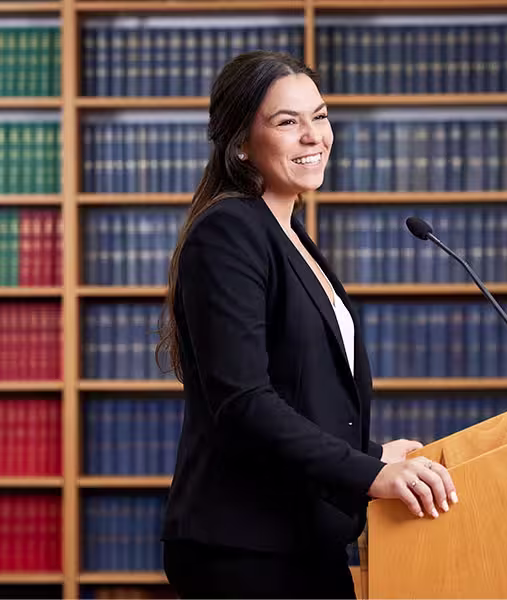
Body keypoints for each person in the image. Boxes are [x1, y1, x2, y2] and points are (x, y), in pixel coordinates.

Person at [157, 50, 458, 599]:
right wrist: (367, 474)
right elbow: (246, 402)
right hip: (247, 550)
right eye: (287, 122)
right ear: (242, 144)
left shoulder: (289, 234)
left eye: (319, 116)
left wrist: (370, 453)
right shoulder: (229, 232)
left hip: (300, 538)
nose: (314, 136)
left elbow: (298, 395)